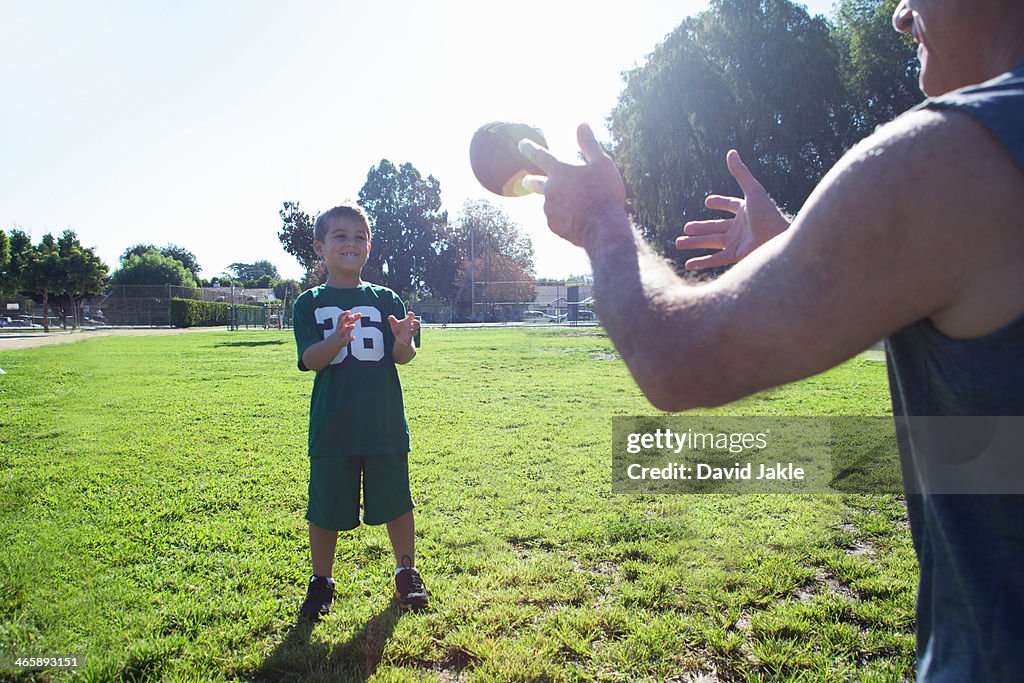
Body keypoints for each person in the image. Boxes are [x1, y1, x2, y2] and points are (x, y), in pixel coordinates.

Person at [518, 0, 1024, 679]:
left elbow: (674, 358)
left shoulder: (946, 160)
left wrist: (600, 219)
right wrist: (799, 254)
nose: (901, 16)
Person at [292, 203, 428, 618]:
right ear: (320, 247)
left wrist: (404, 340)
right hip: (334, 426)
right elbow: (311, 360)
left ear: (369, 247)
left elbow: (402, 356)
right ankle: (321, 580)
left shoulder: (384, 298)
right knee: (326, 507)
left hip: (383, 423)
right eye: (340, 236)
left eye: (359, 237)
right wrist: (335, 340)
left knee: (396, 502)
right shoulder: (309, 303)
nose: (351, 244)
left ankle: (407, 573)